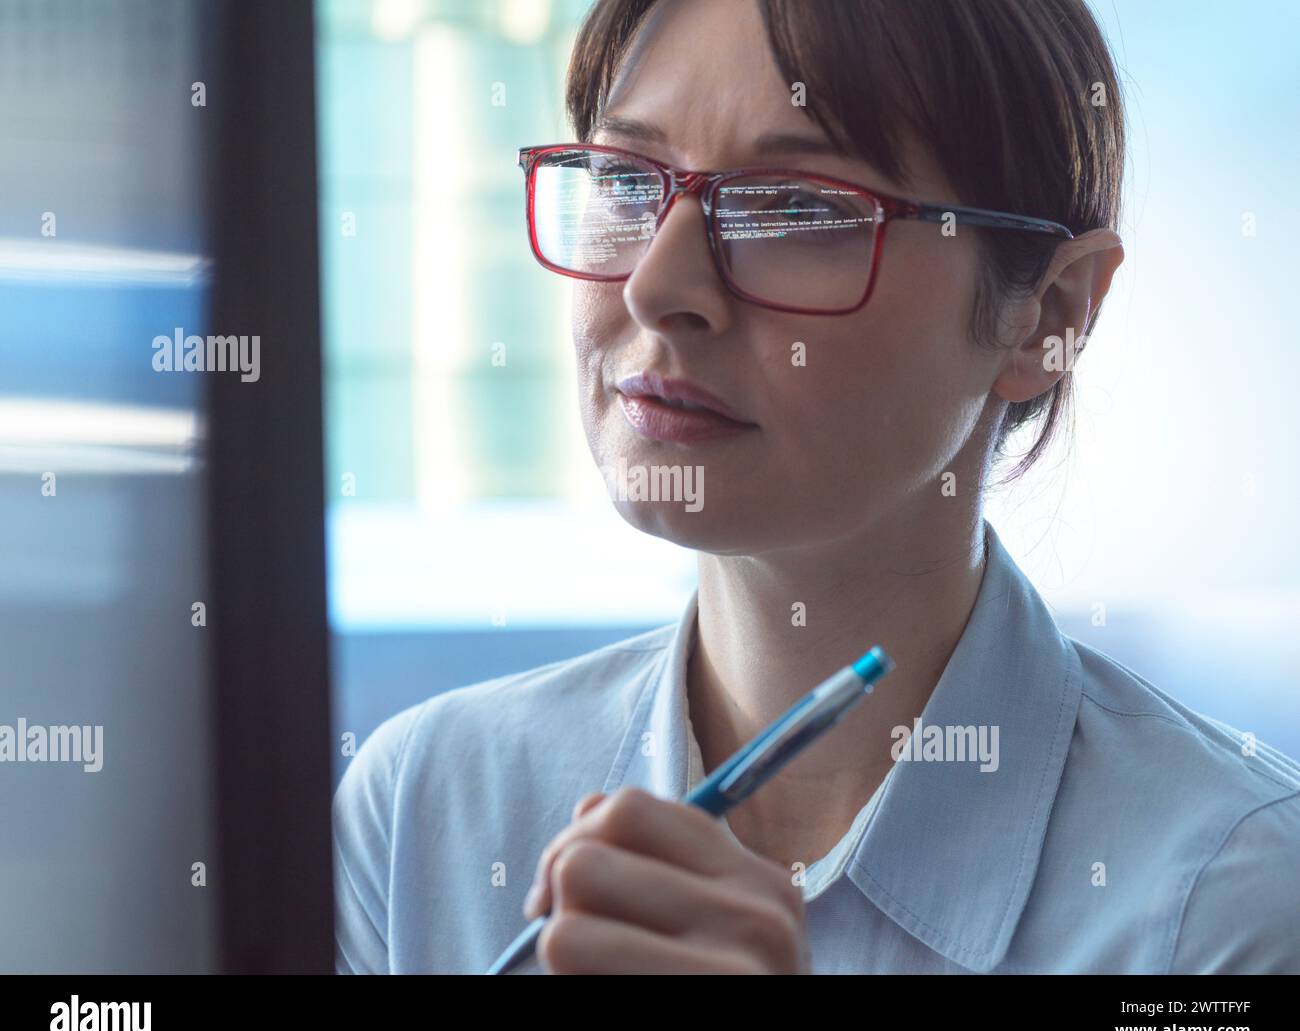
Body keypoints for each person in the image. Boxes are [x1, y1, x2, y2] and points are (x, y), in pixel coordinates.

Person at [333, 0, 1300, 974]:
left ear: (1046, 314)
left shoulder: (1229, 902)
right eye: (626, 182)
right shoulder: (425, 810)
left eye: (793, 206)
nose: (656, 286)